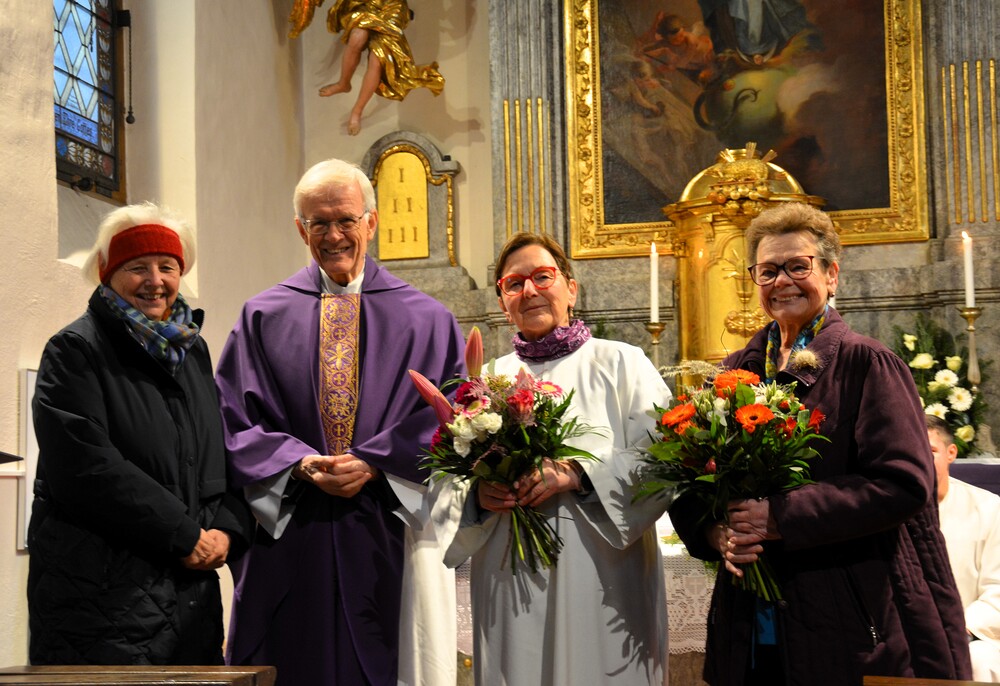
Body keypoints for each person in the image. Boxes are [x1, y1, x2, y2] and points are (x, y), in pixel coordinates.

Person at [668, 202, 972, 684]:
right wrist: (716, 532)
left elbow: (904, 484)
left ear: (831, 275)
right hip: (747, 616)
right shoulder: (732, 372)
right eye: (768, 271)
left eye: (798, 266)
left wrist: (781, 516)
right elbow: (688, 482)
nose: (781, 281)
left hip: (845, 613)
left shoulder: (866, 363)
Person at [215, 158, 464, 686]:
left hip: (387, 527)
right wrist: (298, 462)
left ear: (371, 222)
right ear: (300, 229)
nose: (333, 236)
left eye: (346, 220)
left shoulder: (428, 319)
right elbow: (231, 418)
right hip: (291, 531)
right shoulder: (262, 315)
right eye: (319, 223)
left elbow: (450, 419)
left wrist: (376, 463)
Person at [432, 232, 672, 686]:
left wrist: (579, 473)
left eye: (542, 277)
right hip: (510, 580)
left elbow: (663, 462)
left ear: (571, 288)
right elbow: (445, 480)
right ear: (503, 302)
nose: (529, 291)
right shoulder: (486, 381)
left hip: (603, 581)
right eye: (514, 283)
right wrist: (478, 495)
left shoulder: (623, 363)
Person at [27, 202, 252, 665]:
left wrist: (227, 531)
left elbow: (216, 456)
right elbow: (85, 468)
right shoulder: (75, 349)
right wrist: (183, 535)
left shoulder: (191, 351)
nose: (155, 280)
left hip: (190, 599)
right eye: (137, 267)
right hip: (102, 600)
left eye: (167, 266)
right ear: (107, 273)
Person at [288, 0, 444, 136]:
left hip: (393, 5)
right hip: (365, 3)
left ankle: (357, 111)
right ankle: (343, 83)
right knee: (357, 37)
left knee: (378, 59)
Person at [928, 414, 1000, 682]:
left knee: (978, 660)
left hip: (973, 635)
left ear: (951, 453)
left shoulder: (990, 509)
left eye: (930, 451)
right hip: (905, 632)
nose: (920, 459)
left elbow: (997, 591)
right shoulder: (887, 510)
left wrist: (953, 628)